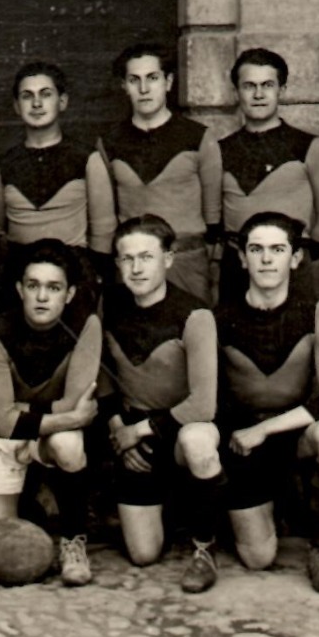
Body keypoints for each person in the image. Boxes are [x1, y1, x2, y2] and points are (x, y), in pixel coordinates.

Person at [214, 211, 319, 594]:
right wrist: (246, 435)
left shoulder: (315, 312)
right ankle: (271, 505)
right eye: (256, 249)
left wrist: (266, 430)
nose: (266, 259)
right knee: (258, 559)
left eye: (278, 249)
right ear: (242, 258)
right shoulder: (219, 316)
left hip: (291, 437)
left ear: (295, 258)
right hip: (241, 443)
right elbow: (211, 400)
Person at [99, 215, 221, 592]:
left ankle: (204, 546)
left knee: (199, 442)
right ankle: (168, 511)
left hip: (180, 429)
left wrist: (137, 431)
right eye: (127, 258)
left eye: (147, 257)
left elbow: (203, 404)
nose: (136, 268)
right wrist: (118, 426)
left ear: (168, 259)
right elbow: (102, 374)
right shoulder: (110, 304)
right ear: (117, 263)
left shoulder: (195, 314)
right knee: (143, 554)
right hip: (135, 438)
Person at [0, 240, 102, 586]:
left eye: (54, 287)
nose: (42, 297)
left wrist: (16, 409)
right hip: (2, 438)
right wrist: (69, 417)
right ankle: (36, 501)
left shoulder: (86, 325)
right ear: (20, 289)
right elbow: (1, 423)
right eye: (34, 286)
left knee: (69, 444)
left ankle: (74, 541)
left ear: (70, 293)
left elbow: (76, 401)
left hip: (47, 434)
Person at [0, 61, 116, 313]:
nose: (36, 104)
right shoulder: (4, 164)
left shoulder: (86, 158)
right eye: (27, 96)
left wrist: (91, 285)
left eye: (46, 94)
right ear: (16, 106)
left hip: (74, 281)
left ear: (62, 101)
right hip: (19, 282)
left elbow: (104, 232)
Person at [97, 42, 222, 302]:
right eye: (134, 80)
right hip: (133, 264)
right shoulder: (109, 142)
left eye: (152, 78)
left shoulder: (198, 137)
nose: (144, 89)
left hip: (186, 261)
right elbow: (105, 216)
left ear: (168, 81)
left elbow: (214, 213)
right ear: (124, 86)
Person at [216, 48, 319, 305]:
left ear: (282, 90)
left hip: (291, 270)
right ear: (236, 92)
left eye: (268, 85)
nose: (259, 94)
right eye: (249, 86)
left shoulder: (312, 148)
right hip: (234, 269)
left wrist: (294, 255)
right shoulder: (218, 151)